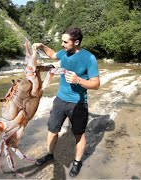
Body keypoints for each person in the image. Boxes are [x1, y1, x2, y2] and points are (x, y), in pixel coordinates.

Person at [32, 27, 100, 177]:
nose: (62, 44)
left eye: (65, 41)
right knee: (52, 129)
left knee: (78, 134)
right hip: (60, 100)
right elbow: (52, 54)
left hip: (78, 103)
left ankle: (77, 162)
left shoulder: (89, 58)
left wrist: (78, 80)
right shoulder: (65, 52)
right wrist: (42, 46)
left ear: (76, 42)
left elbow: (96, 84)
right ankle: (50, 154)